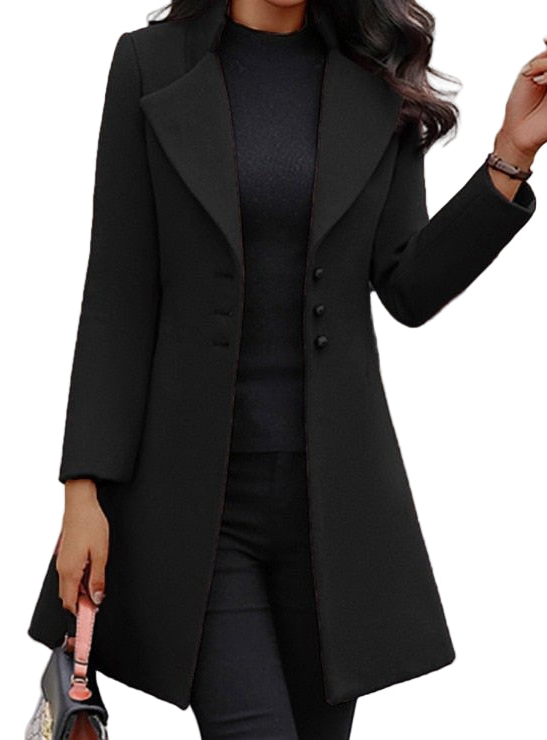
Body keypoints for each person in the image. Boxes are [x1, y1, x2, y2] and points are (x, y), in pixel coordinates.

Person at [28, 0, 544, 736]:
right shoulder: (151, 65)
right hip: (195, 508)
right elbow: (119, 289)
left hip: (331, 512)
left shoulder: (374, 77)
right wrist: (82, 491)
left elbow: (409, 286)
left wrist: (511, 155)